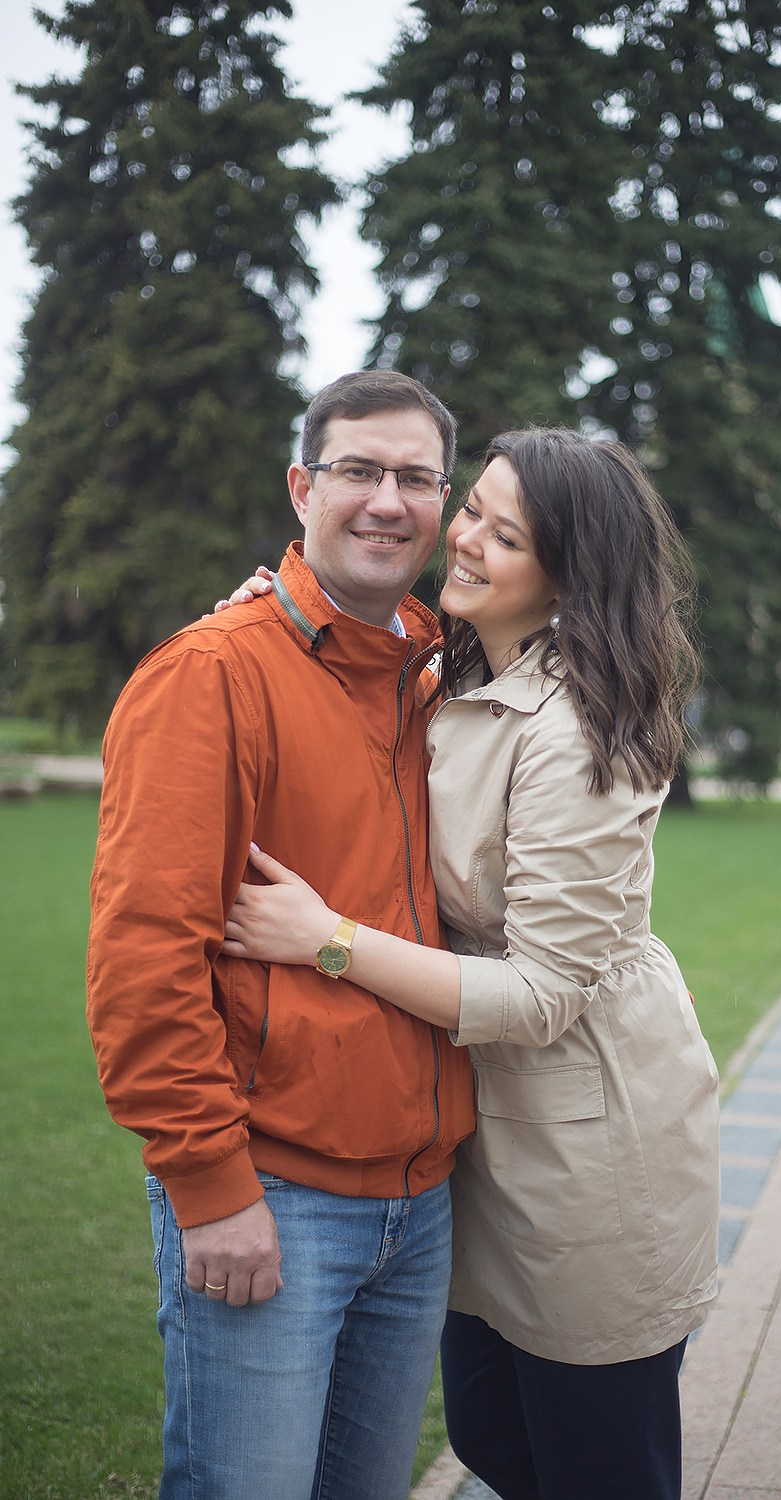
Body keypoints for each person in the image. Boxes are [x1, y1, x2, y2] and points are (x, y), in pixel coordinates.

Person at [219, 427, 721, 1500]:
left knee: (596, 1467)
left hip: (588, 1142)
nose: (467, 539)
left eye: (508, 533)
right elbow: (341, 655)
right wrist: (270, 615)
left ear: (570, 578)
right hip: (477, 1128)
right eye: (475, 510)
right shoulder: (449, 665)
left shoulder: (578, 726)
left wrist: (328, 941)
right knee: (496, 1442)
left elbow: (541, 994)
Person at [86, 370, 477, 1500]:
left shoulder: (438, 669)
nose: (387, 502)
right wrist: (210, 1186)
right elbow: (143, 956)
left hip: (422, 1203)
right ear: (302, 486)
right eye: (359, 471)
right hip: (273, 1195)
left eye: (415, 478)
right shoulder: (210, 676)